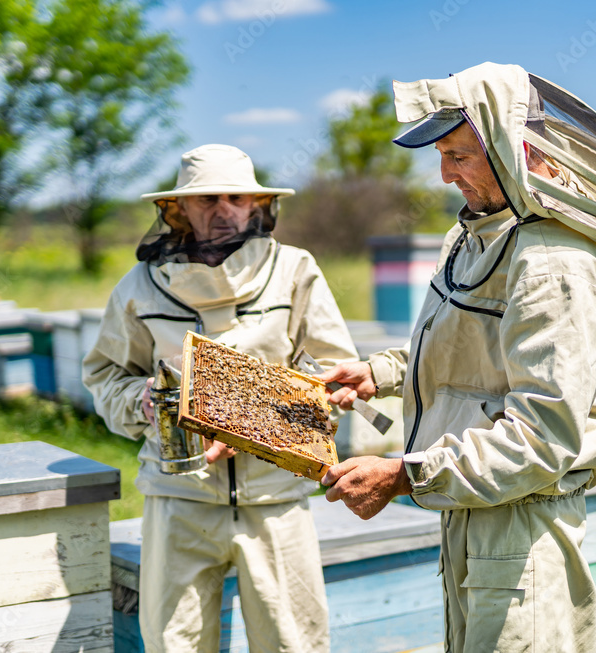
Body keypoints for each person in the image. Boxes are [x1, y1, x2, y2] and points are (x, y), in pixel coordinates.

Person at [317, 62, 596, 652]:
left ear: (511, 149)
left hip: (521, 524)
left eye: (458, 156)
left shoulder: (555, 262)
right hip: (474, 506)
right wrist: (378, 373)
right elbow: (474, 351)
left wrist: (406, 473)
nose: (443, 174)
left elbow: (541, 438)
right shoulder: (481, 236)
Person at [83, 144, 358, 653]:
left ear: (257, 205)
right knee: (174, 643)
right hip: (179, 497)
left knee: (292, 643)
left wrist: (248, 421)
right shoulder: (138, 286)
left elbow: (333, 373)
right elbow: (104, 375)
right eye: (207, 198)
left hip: (274, 497)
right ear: (177, 209)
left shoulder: (295, 270)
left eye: (236, 196)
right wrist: (141, 401)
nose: (223, 209)